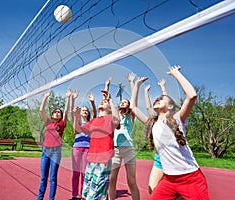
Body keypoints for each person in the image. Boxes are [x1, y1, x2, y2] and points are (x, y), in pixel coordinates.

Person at [130, 66, 210, 199]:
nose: (157, 99)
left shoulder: (177, 119)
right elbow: (133, 107)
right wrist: (136, 85)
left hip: (190, 178)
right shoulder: (152, 123)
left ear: (171, 106)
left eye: (161, 98)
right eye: (157, 99)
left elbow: (192, 96)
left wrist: (176, 73)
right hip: (169, 179)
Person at [72, 89, 120, 200]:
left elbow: (117, 120)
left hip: (104, 159)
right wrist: (76, 116)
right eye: (102, 101)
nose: (102, 101)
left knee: (96, 195)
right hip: (91, 159)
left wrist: (110, 100)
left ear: (110, 108)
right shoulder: (93, 121)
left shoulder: (110, 119)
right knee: (85, 193)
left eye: (105, 102)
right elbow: (77, 130)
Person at [108, 74, 140, 200]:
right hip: (115, 150)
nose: (122, 102)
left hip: (128, 150)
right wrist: (108, 86)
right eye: (121, 101)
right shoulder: (114, 116)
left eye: (125, 102)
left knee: (131, 180)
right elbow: (107, 101)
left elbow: (134, 101)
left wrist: (132, 82)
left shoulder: (130, 116)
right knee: (112, 179)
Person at [37, 89, 71, 200]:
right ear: (52, 114)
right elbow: (41, 110)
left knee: (52, 177)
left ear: (61, 116)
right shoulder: (48, 122)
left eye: (59, 112)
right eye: (55, 112)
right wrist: (46, 96)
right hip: (45, 151)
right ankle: (39, 198)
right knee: (43, 177)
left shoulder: (62, 123)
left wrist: (68, 98)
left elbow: (66, 111)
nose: (57, 113)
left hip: (56, 152)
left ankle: (51, 199)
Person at [70, 90, 97, 200]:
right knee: (76, 172)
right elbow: (72, 114)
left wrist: (92, 102)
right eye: (83, 110)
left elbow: (95, 114)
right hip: (77, 147)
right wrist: (73, 99)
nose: (85, 111)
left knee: (85, 173)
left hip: (87, 148)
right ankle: (75, 194)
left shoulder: (91, 123)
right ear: (80, 112)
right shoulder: (77, 122)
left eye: (86, 110)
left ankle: (83, 194)